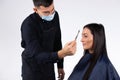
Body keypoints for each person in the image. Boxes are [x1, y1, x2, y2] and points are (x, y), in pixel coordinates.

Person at [20, 0, 76, 80]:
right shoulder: (28, 25)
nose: (51, 14)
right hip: (32, 70)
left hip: (49, 66)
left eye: (52, 10)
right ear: (35, 10)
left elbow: (57, 41)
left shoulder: (55, 15)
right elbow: (37, 55)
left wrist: (60, 66)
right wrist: (62, 53)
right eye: (46, 12)